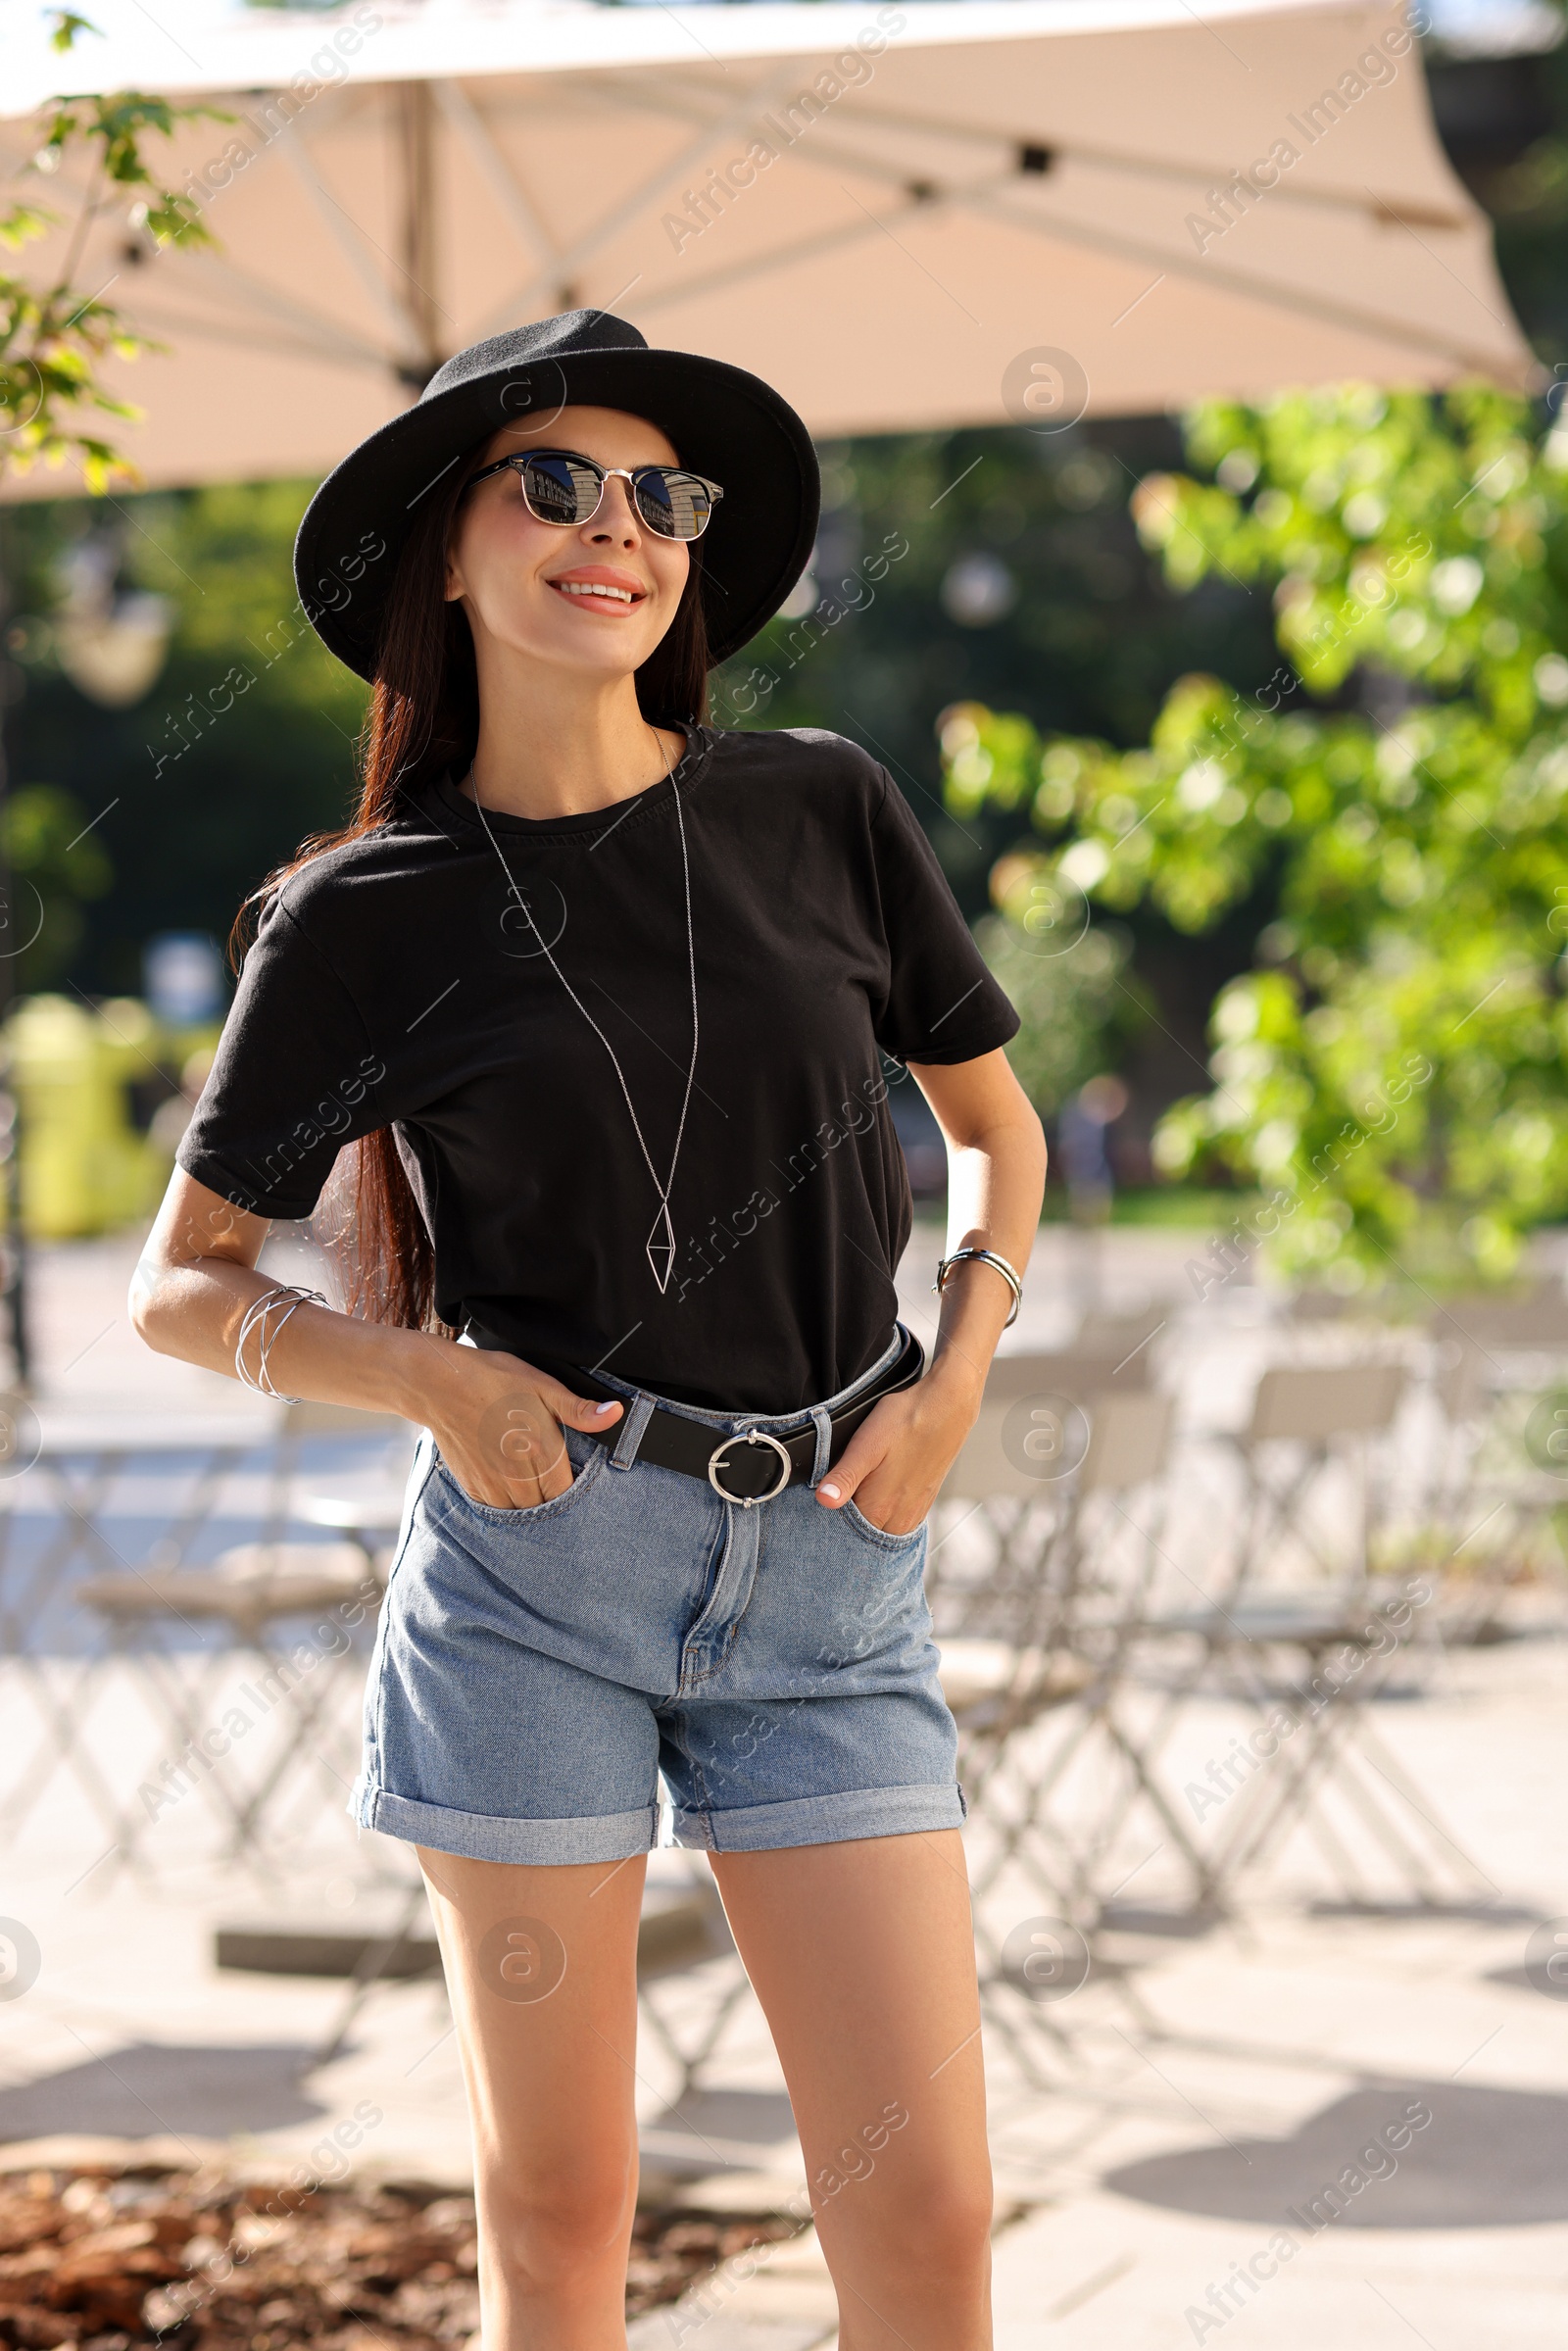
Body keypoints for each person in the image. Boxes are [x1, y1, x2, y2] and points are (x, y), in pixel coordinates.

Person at [131, 311, 1046, 2351]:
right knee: (559, 2218)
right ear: (442, 555)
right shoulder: (360, 915)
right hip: (541, 1569)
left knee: (927, 2214)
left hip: (833, 1556)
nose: (611, 528)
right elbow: (179, 1284)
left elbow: (995, 1130)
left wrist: (959, 1373)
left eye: (658, 496)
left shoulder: (820, 809)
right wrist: (428, 1378)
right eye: (551, 482)